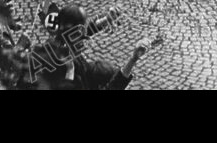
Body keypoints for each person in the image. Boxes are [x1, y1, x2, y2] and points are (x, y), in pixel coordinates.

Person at [21, 5, 152, 90]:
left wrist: (106, 19)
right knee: (110, 73)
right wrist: (132, 60)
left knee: (104, 69)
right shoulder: (69, 71)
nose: (84, 38)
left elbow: (85, 31)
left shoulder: (55, 43)